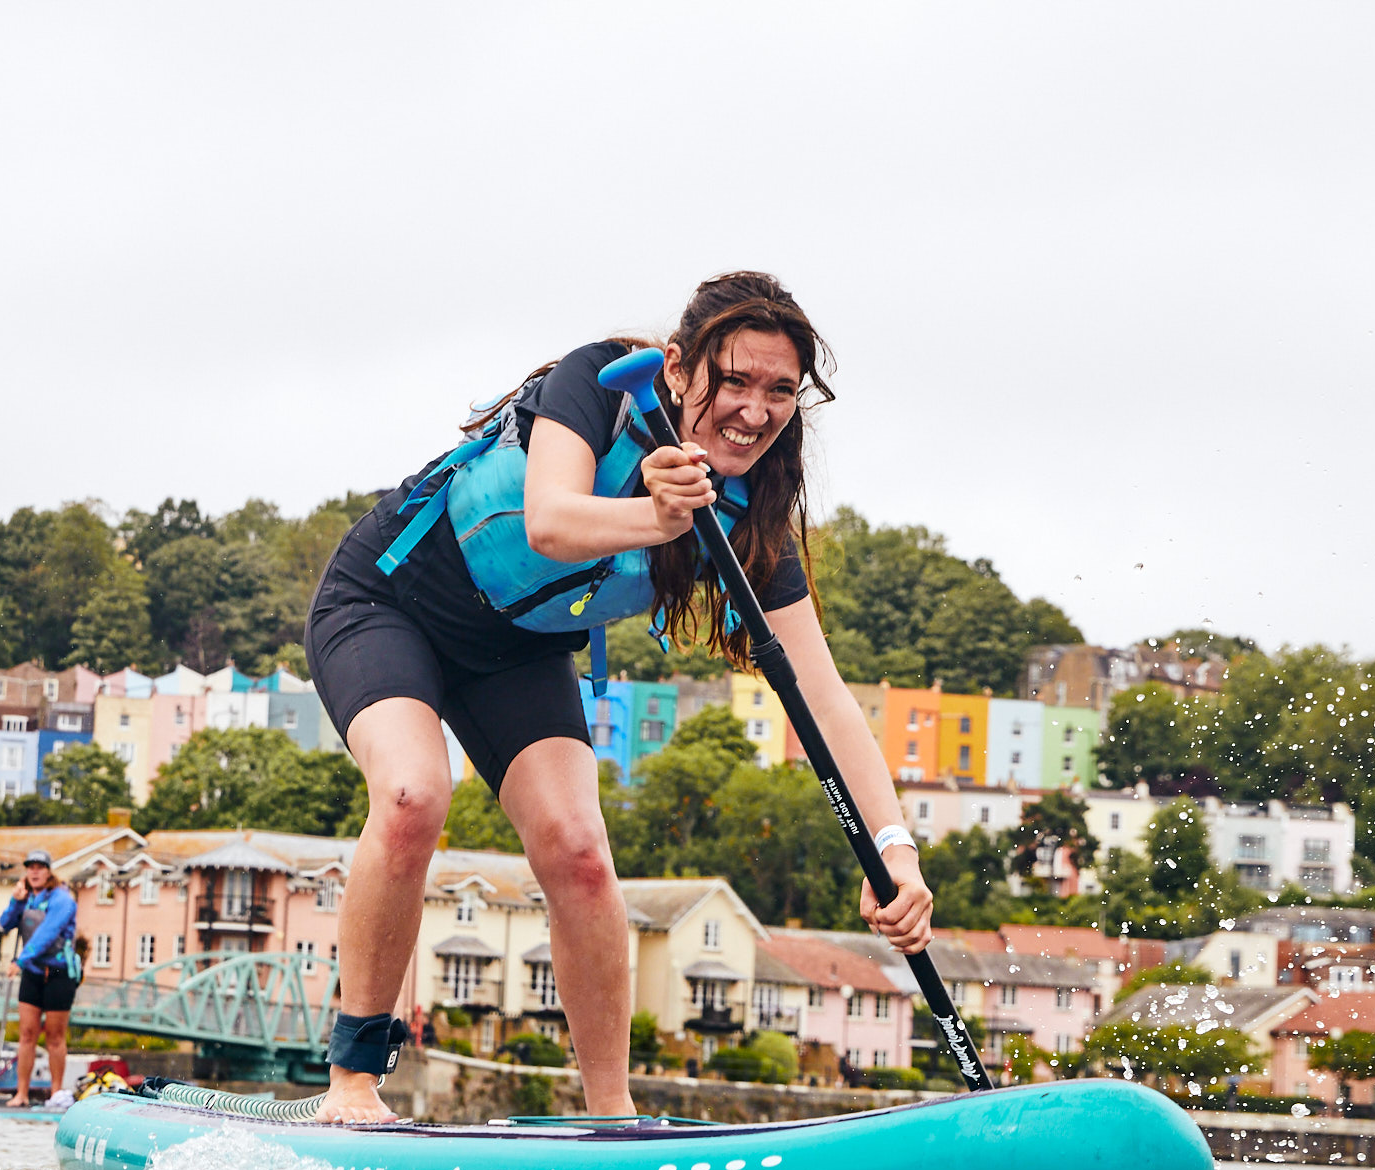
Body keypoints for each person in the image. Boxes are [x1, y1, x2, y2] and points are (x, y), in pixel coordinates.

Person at [302, 271, 935, 1124]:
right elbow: (550, 521)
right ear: (676, 368)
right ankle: (352, 1085)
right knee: (415, 793)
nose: (755, 410)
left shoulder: (752, 517)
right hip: (388, 602)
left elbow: (822, 695)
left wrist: (896, 849)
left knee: (580, 850)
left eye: (781, 391)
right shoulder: (599, 385)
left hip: (516, 651)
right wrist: (660, 518)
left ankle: (613, 1119)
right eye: (734, 380)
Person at [0, 850, 80, 1106]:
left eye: (39, 867)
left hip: (59, 973)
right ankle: (21, 1093)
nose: (34, 872)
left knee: (54, 1036)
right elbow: (5, 924)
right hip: (33, 973)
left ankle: (55, 1094)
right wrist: (15, 901)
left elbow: (48, 932)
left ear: (48, 871)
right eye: (30, 867)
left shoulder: (62, 900)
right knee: (27, 1034)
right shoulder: (26, 898)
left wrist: (19, 961)